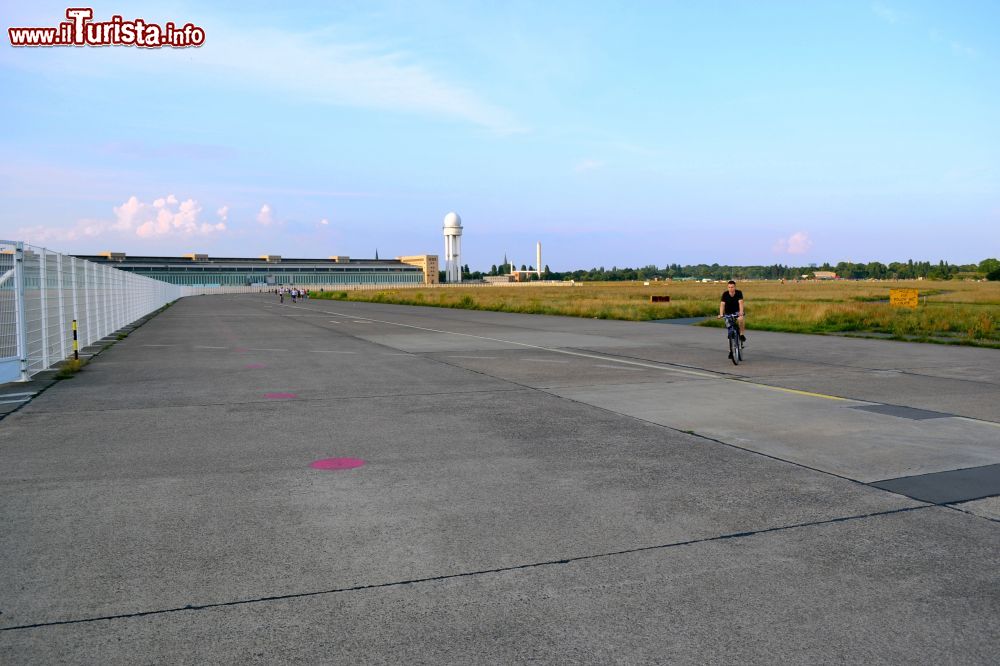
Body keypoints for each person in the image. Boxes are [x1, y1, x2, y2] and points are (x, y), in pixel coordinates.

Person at [719, 280, 746, 350]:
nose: (731, 289)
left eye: (732, 287)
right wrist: (721, 314)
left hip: (737, 311)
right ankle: (731, 350)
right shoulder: (725, 294)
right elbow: (722, 304)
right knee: (729, 331)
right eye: (729, 287)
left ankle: (741, 335)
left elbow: (741, 303)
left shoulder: (739, 293)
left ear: (735, 287)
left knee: (741, 319)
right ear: (727, 287)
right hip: (728, 313)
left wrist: (741, 312)